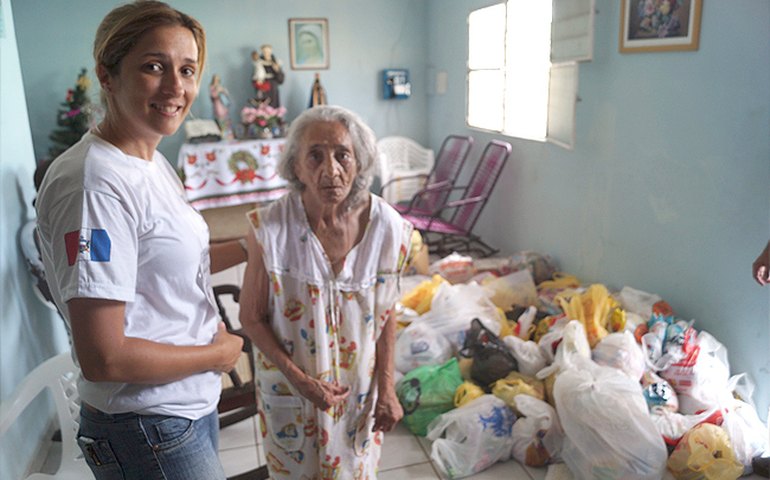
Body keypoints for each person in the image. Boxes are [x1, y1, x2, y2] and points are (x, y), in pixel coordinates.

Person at [34, 2, 246, 479]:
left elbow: (162, 264)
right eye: (154, 66)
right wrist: (219, 354)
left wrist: (253, 246)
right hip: (146, 423)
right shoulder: (94, 185)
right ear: (108, 75)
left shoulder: (149, 160)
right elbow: (103, 357)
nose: (177, 87)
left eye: (187, 70)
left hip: (183, 407)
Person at [239, 105, 413, 478]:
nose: (331, 170)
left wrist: (388, 387)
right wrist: (300, 381)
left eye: (342, 155)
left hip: (358, 393)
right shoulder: (269, 228)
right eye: (315, 155)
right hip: (292, 390)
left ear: (360, 162)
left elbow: (385, 311)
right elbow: (250, 318)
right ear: (295, 167)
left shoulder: (388, 228)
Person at [209, 73, 234, 140]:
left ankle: (228, 134)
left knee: (225, 118)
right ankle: (222, 134)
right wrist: (218, 91)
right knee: (220, 116)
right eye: (215, 79)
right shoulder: (212, 87)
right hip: (218, 104)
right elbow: (213, 96)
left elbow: (226, 94)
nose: (216, 81)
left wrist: (223, 91)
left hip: (223, 104)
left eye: (217, 80)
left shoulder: (220, 86)